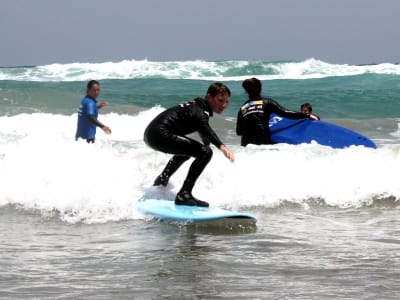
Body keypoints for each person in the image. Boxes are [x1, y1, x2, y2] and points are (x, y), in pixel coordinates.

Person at [144, 82, 234, 207]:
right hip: (159, 134)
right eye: (220, 100)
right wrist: (222, 146)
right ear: (209, 97)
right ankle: (184, 194)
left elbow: (201, 128)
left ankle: (162, 179)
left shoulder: (198, 107)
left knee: (190, 151)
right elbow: (205, 127)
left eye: (226, 102)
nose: (224, 105)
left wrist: (206, 145)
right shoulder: (201, 111)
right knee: (205, 153)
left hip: (152, 134)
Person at [236, 77, 319, 147]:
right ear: (260, 89)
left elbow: (239, 132)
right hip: (262, 142)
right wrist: (307, 115)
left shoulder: (243, 108)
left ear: (247, 91)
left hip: (245, 145)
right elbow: (286, 113)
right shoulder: (267, 102)